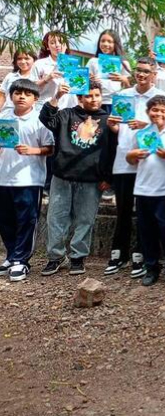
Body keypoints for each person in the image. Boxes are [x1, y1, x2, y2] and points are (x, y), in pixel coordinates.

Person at [39, 80, 113, 276]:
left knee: (85, 219)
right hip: (62, 176)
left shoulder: (109, 121)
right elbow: (46, 118)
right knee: (56, 218)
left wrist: (108, 178)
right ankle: (56, 257)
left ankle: (78, 257)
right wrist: (57, 96)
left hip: (91, 179)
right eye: (88, 95)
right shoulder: (67, 115)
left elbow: (112, 151)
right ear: (80, 97)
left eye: (97, 95)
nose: (93, 99)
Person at [103, 57, 165, 277]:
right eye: (138, 70)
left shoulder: (161, 97)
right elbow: (119, 129)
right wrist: (112, 126)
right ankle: (118, 253)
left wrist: (145, 124)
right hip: (124, 159)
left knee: (144, 212)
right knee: (122, 209)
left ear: (154, 74)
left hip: (149, 161)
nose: (141, 74)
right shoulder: (123, 95)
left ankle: (142, 255)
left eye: (146, 71)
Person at [0, 80, 54, 281]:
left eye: (27, 94)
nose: (21, 97)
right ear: (11, 96)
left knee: (26, 220)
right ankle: (11, 255)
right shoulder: (3, 118)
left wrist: (33, 150)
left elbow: (50, 148)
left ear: (35, 98)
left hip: (29, 179)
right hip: (3, 178)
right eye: (17, 93)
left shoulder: (40, 120)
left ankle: (21, 260)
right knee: (5, 221)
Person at [125, 95, 165, 286]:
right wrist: (132, 155)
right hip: (143, 189)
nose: (158, 114)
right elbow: (130, 161)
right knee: (146, 232)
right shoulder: (141, 133)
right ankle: (151, 267)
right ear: (148, 112)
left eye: (163, 110)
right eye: (154, 110)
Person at [87, 29, 132, 112]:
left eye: (109, 41)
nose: (105, 44)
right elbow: (84, 85)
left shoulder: (124, 63)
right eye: (102, 41)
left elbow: (129, 89)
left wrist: (124, 80)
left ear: (116, 44)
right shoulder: (93, 61)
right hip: (96, 102)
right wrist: (90, 80)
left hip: (116, 103)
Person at [32, 31, 77, 110]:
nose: (57, 45)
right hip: (46, 108)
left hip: (68, 108)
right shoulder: (39, 64)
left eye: (60, 42)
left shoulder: (73, 64)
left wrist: (88, 79)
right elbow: (31, 87)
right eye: (52, 43)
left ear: (65, 45)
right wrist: (46, 79)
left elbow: (80, 88)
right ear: (47, 46)